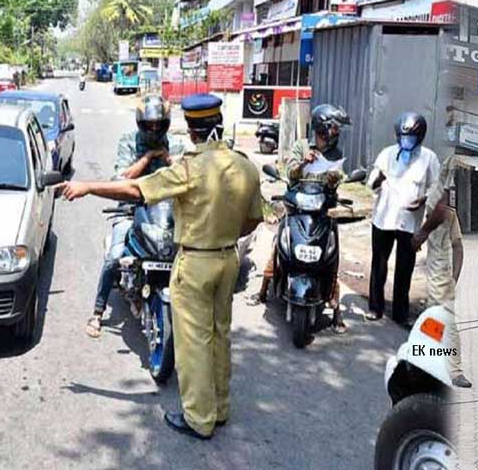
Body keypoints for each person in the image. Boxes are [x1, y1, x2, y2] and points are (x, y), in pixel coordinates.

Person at [56, 94, 264, 440]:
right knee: (220, 334)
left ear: (192, 130)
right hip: (229, 258)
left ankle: (199, 418)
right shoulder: (245, 166)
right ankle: (220, 407)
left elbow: (136, 190)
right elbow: (254, 219)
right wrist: (224, 235)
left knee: (194, 341)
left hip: (196, 261)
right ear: (218, 126)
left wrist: (88, 187)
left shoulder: (190, 166)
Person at [85, 95, 192, 337]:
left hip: (166, 213)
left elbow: (186, 175)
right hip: (131, 208)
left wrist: (167, 158)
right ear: (140, 124)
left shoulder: (175, 144)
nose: (154, 129)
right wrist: (147, 158)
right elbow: (121, 179)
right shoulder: (128, 142)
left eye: (158, 124)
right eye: (149, 125)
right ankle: (98, 312)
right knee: (114, 256)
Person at [252, 104, 349, 333]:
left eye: (337, 130)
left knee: (332, 255)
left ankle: (336, 310)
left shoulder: (335, 153)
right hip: (297, 209)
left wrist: (336, 177)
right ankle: (263, 289)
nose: (336, 133)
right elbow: (289, 173)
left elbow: (339, 178)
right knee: (279, 246)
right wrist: (304, 162)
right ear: (322, 128)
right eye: (334, 129)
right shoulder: (301, 146)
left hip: (323, 211)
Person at [367, 112, 440, 325]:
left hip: (410, 222)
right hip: (384, 219)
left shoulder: (429, 158)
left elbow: (436, 187)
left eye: (412, 137)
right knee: (379, 265)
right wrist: (377, 180)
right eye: (404, 136)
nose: (407, 141)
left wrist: (424, 199)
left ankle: (400, 313)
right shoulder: (387, 154)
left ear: (420, 137)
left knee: (404, 269)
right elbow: (371, 180)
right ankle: (375, 308)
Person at [412, 155, 470, 388]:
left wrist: (454, 278)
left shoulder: (449, 215)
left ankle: (454, 371)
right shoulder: (419, 208)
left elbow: (458, 247)